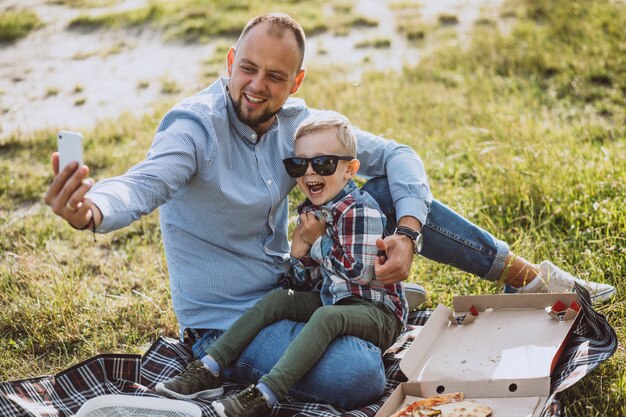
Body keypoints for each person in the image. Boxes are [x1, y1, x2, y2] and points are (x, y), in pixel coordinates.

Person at [44, 12, 615, 410]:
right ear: (229, 61)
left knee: (393, 191)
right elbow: (143, 184)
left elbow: (398, 155)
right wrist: (91, 209)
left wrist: (410, 233)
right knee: (359, 376)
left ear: (296, 82)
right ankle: (355, 310)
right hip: (228, 318)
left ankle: (532, 279)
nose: (256, 86)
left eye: (274, 76)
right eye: (247, 69)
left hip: (303, 284)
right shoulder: (193, 128)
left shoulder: (298, 125)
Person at [155, 112, 407, 417]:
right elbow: (308, 282)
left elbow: (360, 271)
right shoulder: (313, 212)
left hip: (376, 313)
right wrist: (300, 255)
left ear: (350, 169)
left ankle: (265, 394)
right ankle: (208, 368)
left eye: (324, 163)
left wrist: (317, 242)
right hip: (336, 300)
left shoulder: (360, 211)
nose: (310, 173)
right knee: (279, 300)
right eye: (299, 164)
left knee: (328, 317)